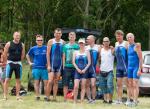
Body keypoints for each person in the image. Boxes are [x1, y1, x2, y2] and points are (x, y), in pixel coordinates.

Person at [3, 31, 25, 101]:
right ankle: (5, 96)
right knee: (7, 80)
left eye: (18, 36)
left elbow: (23, 54)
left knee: (18, 80)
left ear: (20, 36)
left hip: (18, 64)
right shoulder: (9, 44)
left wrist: (19, 61)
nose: (17, 37)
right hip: (10, 63)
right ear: (13, 36)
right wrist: (6, 62)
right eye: (16, 35)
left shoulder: (22, 44)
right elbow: (4, 53)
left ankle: (18, 96)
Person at [26, 35, 48, 101]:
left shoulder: (46, 48)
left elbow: (50, 55)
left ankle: (46, 97)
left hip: (45, 68)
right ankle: (37, 96)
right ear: (36, 41)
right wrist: (30, 62)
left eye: (41, 40)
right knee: (36, 83)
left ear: (42, 41)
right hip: (36, 68)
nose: (39, 41)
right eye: (38, 40)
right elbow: (27, 55)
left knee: (46, 84)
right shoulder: (33, 48)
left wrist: (48, 63)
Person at [46, 28, 65, 101]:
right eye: (57, 33)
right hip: (52, 64)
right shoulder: (51, 41)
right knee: (50, 81)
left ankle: (54, 97)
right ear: (54, 34)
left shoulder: (63, 42)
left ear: (61, 34)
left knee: (56, 81)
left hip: (59, 65)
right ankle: (47, 97)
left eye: (59, 33)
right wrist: (48, 65)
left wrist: (63, 65)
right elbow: (47, 54)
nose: (58, 35)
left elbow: (63, 55)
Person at [126, 33, 142, 107]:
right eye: (128, 37)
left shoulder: (137, 46)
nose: (129, 38)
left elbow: (141, 58)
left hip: (135, 67)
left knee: (135, 84)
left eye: (130, 37)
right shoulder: (128, 46)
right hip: (129, 68)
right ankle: (129, 100)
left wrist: (139, 69)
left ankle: (135, 101)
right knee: (129, 84)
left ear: (133, 37)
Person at [72, 38, 91, 103]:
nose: (81, 44)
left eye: (82, 43)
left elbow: (89, 62)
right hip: (77, 71)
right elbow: (73, 62)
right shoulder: (75, 52)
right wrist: (77, 69)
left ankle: (81, 100)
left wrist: (84, 69)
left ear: (84, 44)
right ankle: (75, 100)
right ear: (78, 44)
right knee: (76, 86)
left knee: (83, 86)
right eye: (80, 43)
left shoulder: (87, 52)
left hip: (84, 72)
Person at [62, 32, 79, 101]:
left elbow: (78, 56)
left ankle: (74, 99)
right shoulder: (65, 46)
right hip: (67, 67)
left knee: (75, 85)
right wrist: (63, 66)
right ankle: (65, 99)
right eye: (70, 36)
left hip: (75, 68)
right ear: (68, 38)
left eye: (73, 36)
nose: (71, 38)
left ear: (75, 38)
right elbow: (63, 56)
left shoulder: (77, 46)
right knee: (65, 84)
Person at [114, 30, 129, 104]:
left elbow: (130, 53)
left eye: (120, 35)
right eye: (117, 36)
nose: (118, 37)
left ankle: (129, 100)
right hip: (118, 67)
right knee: (118, 84)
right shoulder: (116, 43)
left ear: (122, 36)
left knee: (126, 84)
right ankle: (119, 100)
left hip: (125, 67)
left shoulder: (126, 43)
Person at [99, 37, 114, 104]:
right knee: (103, 86)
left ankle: (110, 100)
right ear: (103, 42)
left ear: (109, 42)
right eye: (104, 41)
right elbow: (99, 59)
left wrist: (112, 48)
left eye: (107, 41)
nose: (106, 42)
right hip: (102, 71)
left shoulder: (112, 50)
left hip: (109, 71)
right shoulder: (101, 50)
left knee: (109, 86)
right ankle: (105, 100)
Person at [85, 35, 100, 103]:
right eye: (87, 39)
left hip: (94, 68)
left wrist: (98, 66)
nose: (87, 40)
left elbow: (100, 58)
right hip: (87, 68)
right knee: (87, 84)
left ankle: (94, 99)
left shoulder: (98, 47)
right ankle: (89, 99)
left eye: (88, 39)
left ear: (93, 40)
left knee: (93, 84)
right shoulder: (85, 47)